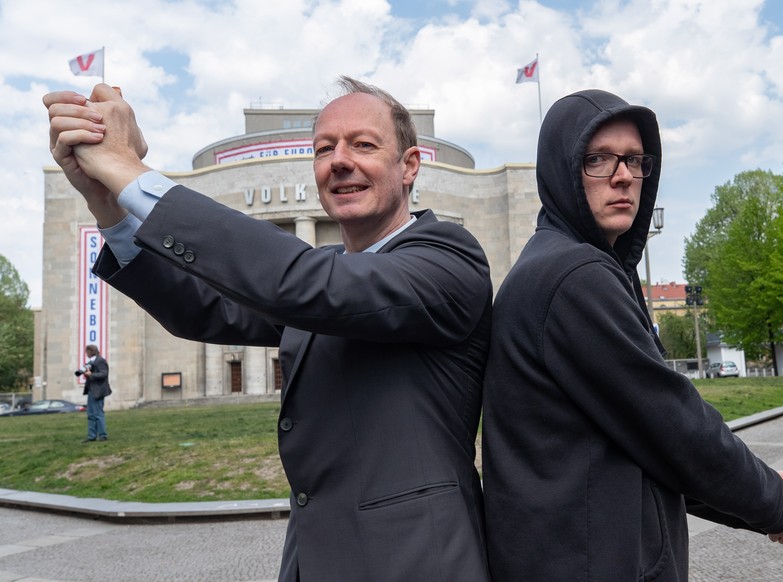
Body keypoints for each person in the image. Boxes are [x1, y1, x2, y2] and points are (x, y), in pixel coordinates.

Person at [45, 78, 491, 581]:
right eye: (324, 149)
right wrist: (109, 204)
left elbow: (304, 284)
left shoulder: (449, 258)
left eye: (363, 144)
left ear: (409, 165)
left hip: (417, 562)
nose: (339, 160)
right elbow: (204, 308)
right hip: (314, 559)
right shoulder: (322, 272)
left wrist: (130, 170)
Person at [482, 89, 783, 581]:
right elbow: (674, 425)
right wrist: (776, 503)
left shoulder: (563, 266)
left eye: (634, 160)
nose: (623, 175)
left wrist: (768, 494)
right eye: (596, 159)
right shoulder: (574, 275)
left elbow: (644, 441)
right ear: (562, 170)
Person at [78, 344, 111, 442]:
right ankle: (91, 436)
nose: (86, 354)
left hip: (99, 390)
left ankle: (102, 435)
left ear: (90, 351)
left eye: (86, 352)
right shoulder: (90, 362)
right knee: (91, 414)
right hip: (91, 390)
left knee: (98, 413)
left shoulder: (101, 361)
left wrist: (91, 374)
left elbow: (104, 374)